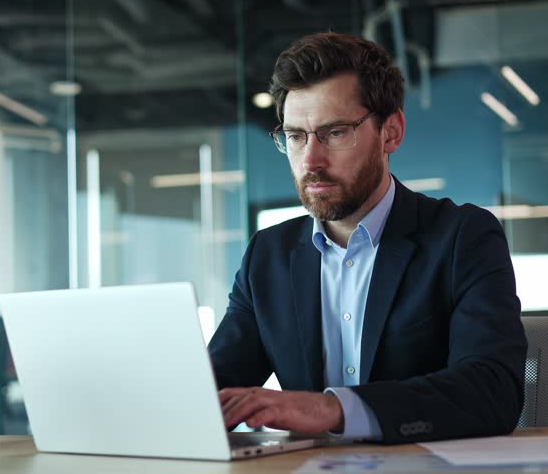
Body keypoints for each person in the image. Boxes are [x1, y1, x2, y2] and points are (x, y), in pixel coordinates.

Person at [208, 32, 528, 444]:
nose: (311, 160)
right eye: (295, 136)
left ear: (390, 132)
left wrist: (333, 409)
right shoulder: (267, 256)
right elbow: (214, 392)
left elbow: (492, 392)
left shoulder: (462, 237)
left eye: (335, 132)